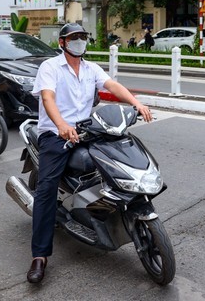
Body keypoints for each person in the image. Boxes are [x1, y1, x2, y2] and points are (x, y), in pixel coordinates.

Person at [27, 23, 153, 284]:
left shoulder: (90, 68)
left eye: (82, 37)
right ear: (62, 42)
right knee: (47, 189)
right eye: (73, 38)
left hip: (87, 130)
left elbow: (112, 85)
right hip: (56, 134)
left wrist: (136, 103)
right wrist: (61, 124)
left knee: (117, 157)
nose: (79, 42)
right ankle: (39, 255)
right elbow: (48, 98)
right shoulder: (50, 67)